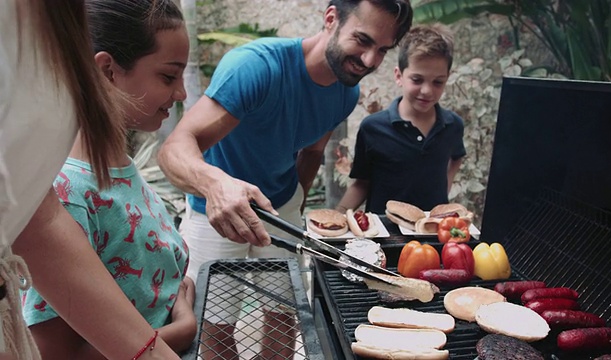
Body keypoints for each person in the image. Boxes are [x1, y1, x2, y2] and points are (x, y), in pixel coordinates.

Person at [157, 0, 412, 358]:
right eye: (362, 40)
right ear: (330, 19)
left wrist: (296, 201)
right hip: (213, 210)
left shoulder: (346, 91)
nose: (370, 61)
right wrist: (215, 185)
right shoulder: (257, 67)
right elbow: (174, 148)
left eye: (382, 50)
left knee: (282, 320)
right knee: (213, 327)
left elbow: (310, 153)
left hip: (280, 206)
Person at [1, 0, 184, 358]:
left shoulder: (123, 172)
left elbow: (39, 219)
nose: (181, 94)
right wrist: (180, 331)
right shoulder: (73, 190)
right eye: (168, 76)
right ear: (107, 70)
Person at [337, 23, 466, 214]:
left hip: (431, 235)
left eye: (438, 82)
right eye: (417, 79)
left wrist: (442, 190)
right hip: (385, 236)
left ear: (447, 78)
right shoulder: (373, 128)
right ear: (399, 76)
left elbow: (457, 157)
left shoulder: (453, 125)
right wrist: (338, 213)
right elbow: (361, 183)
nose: (427, 91)